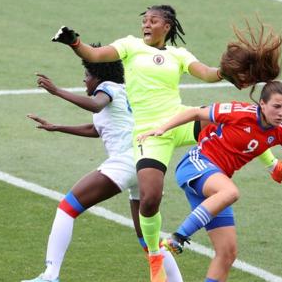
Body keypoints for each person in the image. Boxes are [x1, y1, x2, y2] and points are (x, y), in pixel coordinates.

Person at [51, 6, 282, 281]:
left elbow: (209, 74)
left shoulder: (178, 55)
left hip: (180, 119)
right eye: (144, 21)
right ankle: (154, 255)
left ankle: (274, 165)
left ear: (167, 26)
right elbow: (95, 55)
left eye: (153, 21)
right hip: (150, 133)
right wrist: (75, 43)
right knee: (149, 200)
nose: (146, 25)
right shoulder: (129, 46)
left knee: (234, 120)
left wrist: (228, 72)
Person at [137, 80, 282, 282]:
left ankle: (181, 238)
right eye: (276, 106)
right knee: (231, 192)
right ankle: (177, 237)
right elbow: (196, 113)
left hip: (215, 182)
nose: (281, 113)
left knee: (227, 253)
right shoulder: (238, 112)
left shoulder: (281, 132)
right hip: (196, 164)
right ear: (262, 104)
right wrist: (162, 128)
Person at [22, 49, 183, 282]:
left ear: (98, 75)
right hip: (145, 165)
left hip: (126, 161)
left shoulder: (106, 87)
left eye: (87, 74)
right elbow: (97, 129)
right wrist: (57, 127)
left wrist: (56, 91)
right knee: (148, 239)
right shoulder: (125, 92)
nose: (84, 79)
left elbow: (96, 105)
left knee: (67, 208)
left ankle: (50, 276)